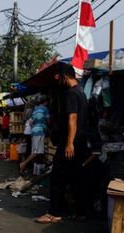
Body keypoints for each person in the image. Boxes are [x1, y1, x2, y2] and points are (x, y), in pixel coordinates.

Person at [35, 63, 90, 224]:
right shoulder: (81, 92)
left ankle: (54, 213)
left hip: (71, 143)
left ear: (65, 76)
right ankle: (81, 212)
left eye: (58, 76)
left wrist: (69, 143)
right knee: (76, 178)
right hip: (79, 142)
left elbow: (72, 118)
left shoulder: (71, 94)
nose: (56, 79)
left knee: (58, 178)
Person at [20, 94, 49, 174]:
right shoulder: (45, 109)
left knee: (35, 151)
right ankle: (23, 164)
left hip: (34, 132)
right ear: (45, 102)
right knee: (37, 152)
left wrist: (34, 128)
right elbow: (49, 120)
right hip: (40, 132)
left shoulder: (35, 110)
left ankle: (35, 171)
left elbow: (31, 122)